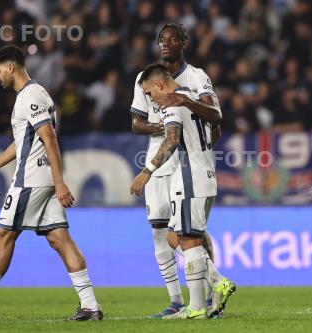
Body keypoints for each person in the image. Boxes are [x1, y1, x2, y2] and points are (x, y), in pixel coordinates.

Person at [0, 45, 102, 321]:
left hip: (31, 181)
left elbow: (49, 137)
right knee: (59, 238)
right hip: (43, 180)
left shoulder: (30, 95)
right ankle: (90, 306)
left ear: (11, 67)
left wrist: (60, 183)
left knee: (3, 236)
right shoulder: (35, 95)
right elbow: (24, 141)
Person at [130, 23, 224, 318]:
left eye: (172, 39)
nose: (165, 43)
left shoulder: (195, 79)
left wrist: (179, 119)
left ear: (184, 41)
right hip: (166, 163)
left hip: (183, 165)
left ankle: (211, 293)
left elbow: (214, 120)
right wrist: (169, 123)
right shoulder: (147, 79)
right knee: (165, 232)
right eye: (161, 39)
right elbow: (137, 123)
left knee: (191, 233)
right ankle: (179, 300)